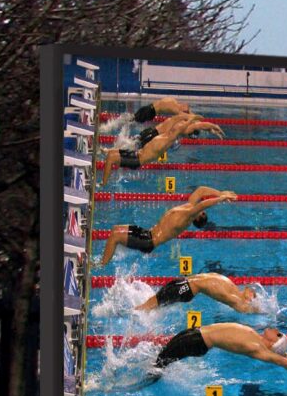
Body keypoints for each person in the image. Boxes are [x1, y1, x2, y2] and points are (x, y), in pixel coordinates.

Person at [97, 187, 236, 264]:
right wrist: (221, 192)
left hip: (148, 241)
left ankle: (101, 266)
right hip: (147, 233)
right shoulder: (188, 207)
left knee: (115, 236)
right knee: (115, 230)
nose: (203, 211)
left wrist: (221, 199)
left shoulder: (188, 217)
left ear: (197, 218)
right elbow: (200, 191)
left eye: (203, 214)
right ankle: (105, 259)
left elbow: (203, 204)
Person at [152, 320, 287, 382]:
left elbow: (285, 362)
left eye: (278, 333)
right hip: (195, 335)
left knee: (157, 367)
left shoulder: (258, 349)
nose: (275, 329)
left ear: (274, 341)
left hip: (196, 341)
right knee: (158, 362)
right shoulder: (258, 340)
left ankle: (142, 382)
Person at [99, 109, 224, 179]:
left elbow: (197, 125)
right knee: (131, 146)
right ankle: (107, 152)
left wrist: (210, 127)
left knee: (131, 145)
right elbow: (197, 125)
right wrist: (212, 126)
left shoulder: (176, 124)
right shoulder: (178, 131)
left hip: (150, 135)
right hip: (150, 138)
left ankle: (107, 152)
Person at [137, 271, 263, 314]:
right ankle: (133, 312)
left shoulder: (235, 297)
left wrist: (260, 309)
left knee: (149, 306)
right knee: (150, 306)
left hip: (184, 287)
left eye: (254, 295)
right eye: (253, 292)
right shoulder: (234, 291)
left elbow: (246, 309)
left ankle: (132, 313)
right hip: (183, 285)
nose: (253, 292)